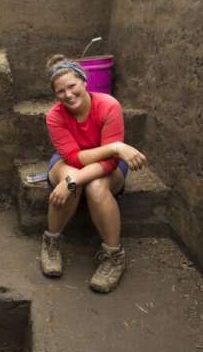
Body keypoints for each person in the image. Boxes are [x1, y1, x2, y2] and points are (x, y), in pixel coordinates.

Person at [41, 55, 148, 293]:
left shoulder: (109, 106)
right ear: (55, 95)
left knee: (95, 186)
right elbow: (73, 158)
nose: (68, 94)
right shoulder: (55, 116)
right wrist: (115, 147)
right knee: (71, 180)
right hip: (70, 161)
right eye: (60, 91)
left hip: (108, 165)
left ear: (84, 82)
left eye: (72, 86)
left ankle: (114, 256)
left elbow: (109, 162)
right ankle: (51, 242)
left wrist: (74, 180)